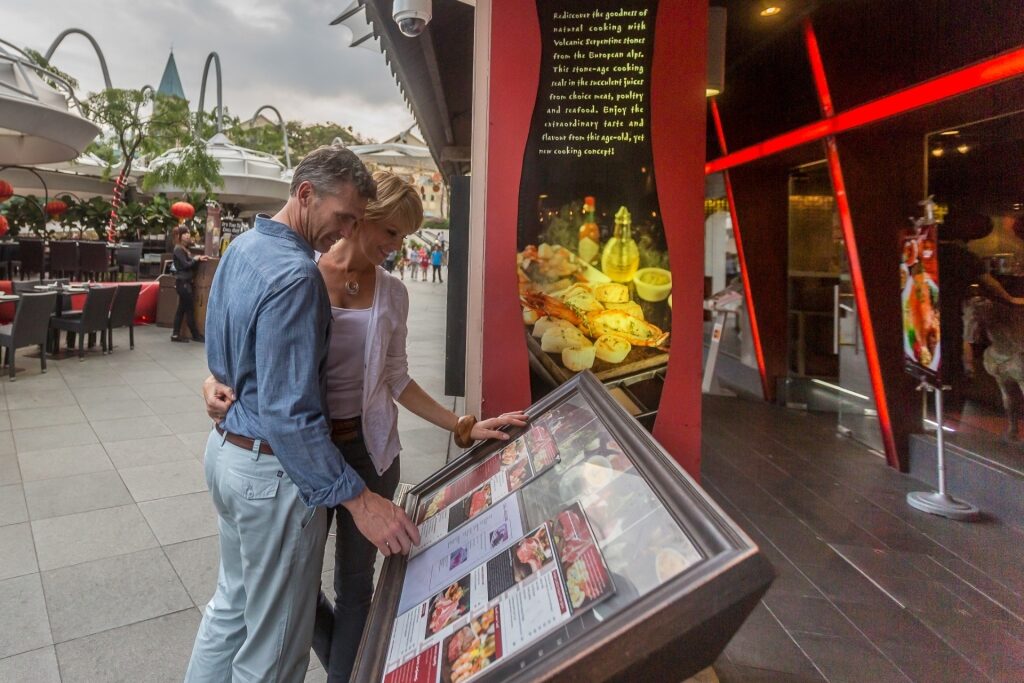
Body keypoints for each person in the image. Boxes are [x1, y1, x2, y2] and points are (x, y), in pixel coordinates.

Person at [203, 171, 527, 683]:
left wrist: (462, 424)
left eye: (404, 238)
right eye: (392, 232)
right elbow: (257, 350)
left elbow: (396, 376)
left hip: (367, 450)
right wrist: (214, 380)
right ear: (362, 219)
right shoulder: (299, 273)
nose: (397, 247)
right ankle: (352, 669)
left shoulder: (393, 292)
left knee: (356, 585)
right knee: (293, 589)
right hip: (302, 456)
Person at [185, 147, 421, 683]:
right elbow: (290, 417)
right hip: (270, 471)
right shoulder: (297, 275)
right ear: (306, 194)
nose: (346, 231)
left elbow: (227, 354)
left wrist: (216, 384)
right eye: (344, 217)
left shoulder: (242, 248)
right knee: (273, 652)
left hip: (226, 453)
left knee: (230, 611)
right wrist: (359, 499)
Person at [171, 226, 209, 343]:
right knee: (189, 309)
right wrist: (196, 259)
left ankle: (176, 334)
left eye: (188, 233)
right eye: (185, 234)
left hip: (184, 282)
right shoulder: (178, 249)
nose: (187, 235)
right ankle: (195, 335)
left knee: (182, 309)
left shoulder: (183, 248)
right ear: (179, 236)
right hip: (183, 283)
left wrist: (197, 258)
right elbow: (186, 264)